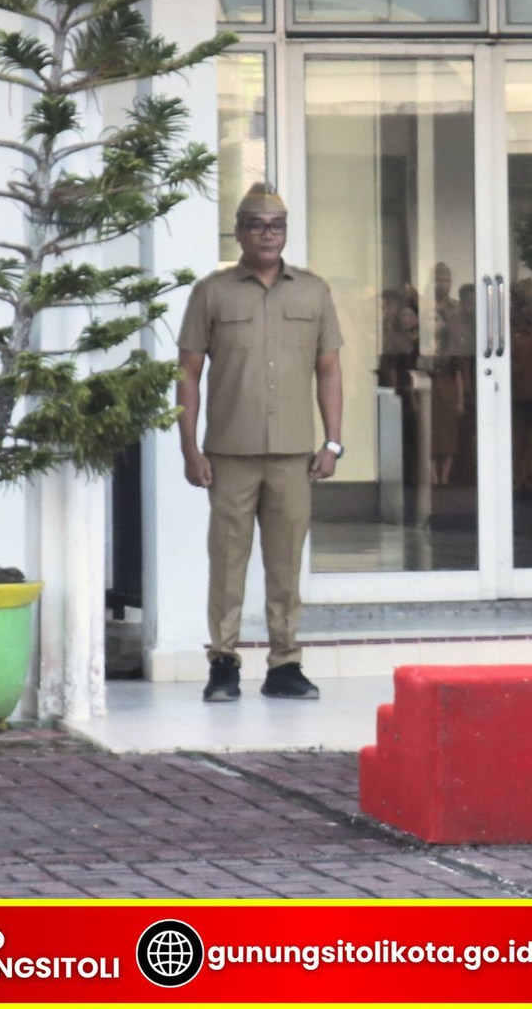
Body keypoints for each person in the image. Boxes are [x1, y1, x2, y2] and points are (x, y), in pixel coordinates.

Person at [177, 182, 345, 704]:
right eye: (257, 225)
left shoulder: (313, 292)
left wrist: (333, 443)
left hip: (295, 455)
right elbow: (187, 373)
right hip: (229, 453)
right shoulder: (212, 292)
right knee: (227, 563)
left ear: (285, 232)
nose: (268, 235)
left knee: (286, 565)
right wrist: (190, 448)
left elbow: (329, 369)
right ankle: (223, 663)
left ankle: (285, 664)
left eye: (277, 226)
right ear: (239, 232)